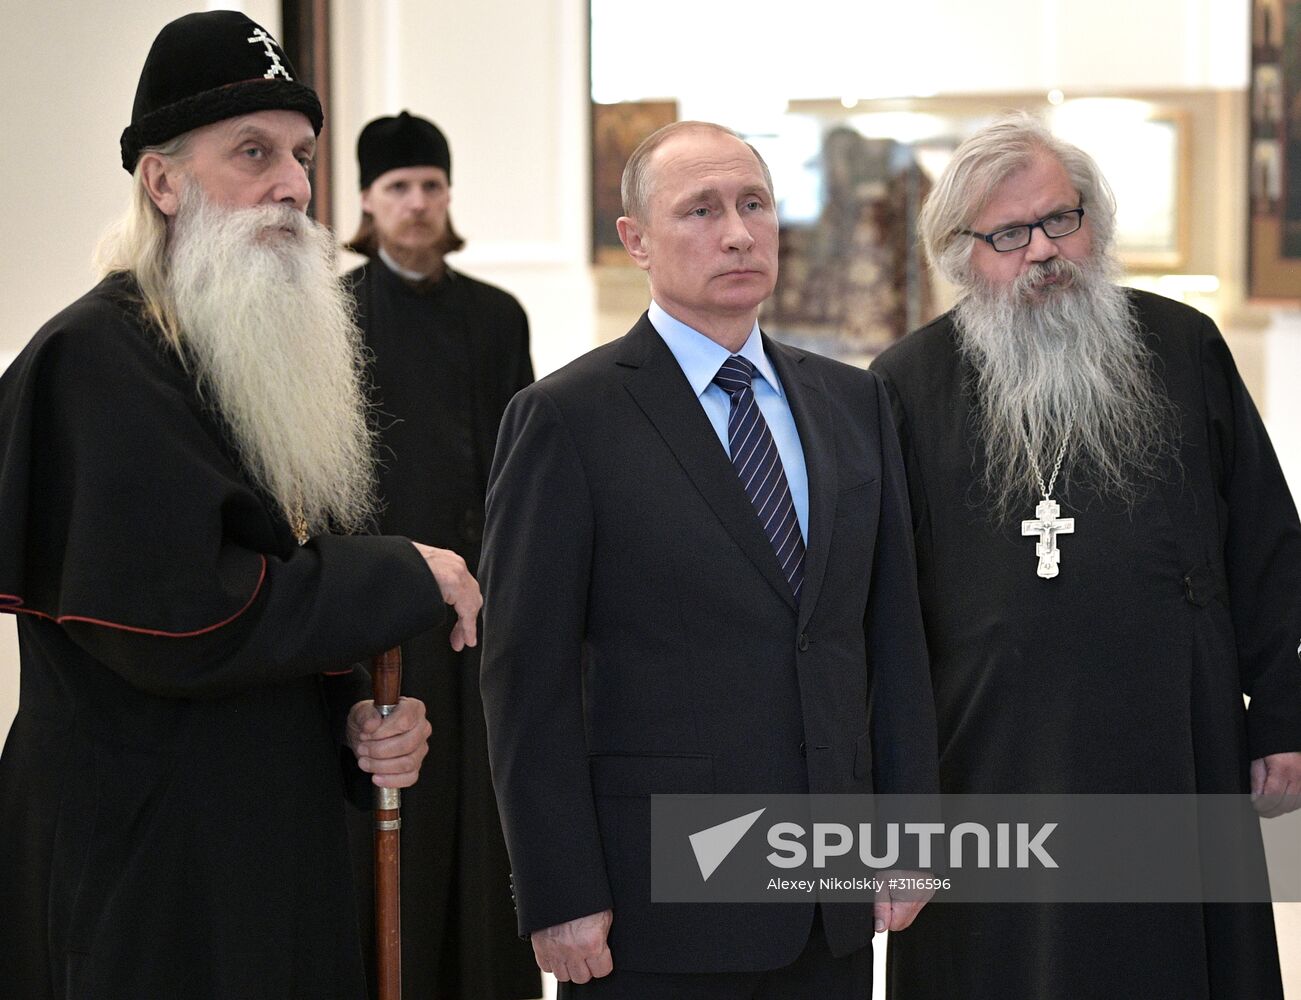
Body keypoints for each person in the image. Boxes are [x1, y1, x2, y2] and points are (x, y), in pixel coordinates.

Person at [0, 13, 482, 999]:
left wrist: (351, 720)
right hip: (145, 873)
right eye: (252, 152)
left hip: (266, 856)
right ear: (163, 180)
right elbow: (185, 619)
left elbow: (272, 596)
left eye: (301, 156)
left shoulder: (242, 349)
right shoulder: (97, 358)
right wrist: (400, 571)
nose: (292, 187)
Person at [479, 120, 941, 998]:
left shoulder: (853, 403)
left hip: (828, 894)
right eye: (699, 209)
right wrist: (558, 891)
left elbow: (890, 640)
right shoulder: (566, 420)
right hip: (654, 904)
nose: (736, 231)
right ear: (636, 241)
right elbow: (523, 679)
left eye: (753, 204)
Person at [871, 112, 1301, 999]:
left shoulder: (1181, 348)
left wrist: (1284, 718)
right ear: (962, 254)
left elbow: (1268, 548)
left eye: (1060, 219)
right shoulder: (905, 385)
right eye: (1007, 235)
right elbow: (882, 612)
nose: (1042, 252)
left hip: (1174, 740)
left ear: (1093, 223)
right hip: (987, 762)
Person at [343, 111, 538, 1000]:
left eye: (429, 185)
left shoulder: (497, 316)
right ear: (366, 203)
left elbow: (523, 468)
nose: (417, 204)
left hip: (487, 612)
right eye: (397, 189)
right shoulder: (337, 314)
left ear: (447, 195)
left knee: (490, 813)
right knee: (403, 827)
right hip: (384, 614)